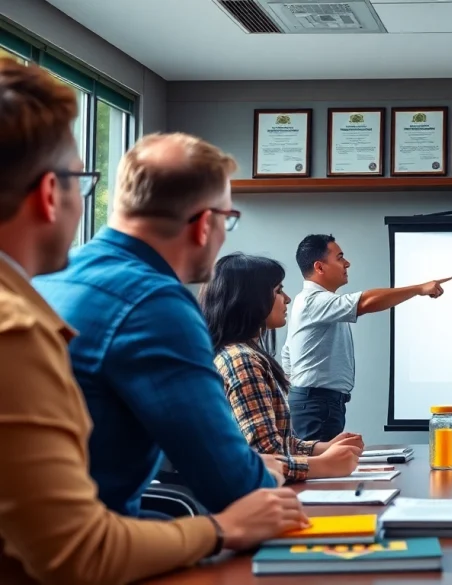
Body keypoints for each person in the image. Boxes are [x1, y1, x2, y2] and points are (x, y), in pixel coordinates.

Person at [0, 57, 307, 585]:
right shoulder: (150, 305)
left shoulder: (49, 284)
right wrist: (226, 523)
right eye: (80, 181)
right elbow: (237, 488)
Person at [33, 132, 282, 518]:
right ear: (204, 224)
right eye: (228, 220)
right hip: (90, 540)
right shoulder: (155, 304)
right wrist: (273, 474)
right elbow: (234, 486)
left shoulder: (54, 275)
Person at [200, 253, 365, 481]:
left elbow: (277, 441)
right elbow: (266, 457)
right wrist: (325, 465)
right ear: (251, 299)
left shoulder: (238, 354)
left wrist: (323, 448)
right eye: (278, 291)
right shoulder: (243, 360)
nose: (287, 299)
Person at [283, 234, 452, 441]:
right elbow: (365, 302)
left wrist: (300, 393)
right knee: (321, 462)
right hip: (317, 404)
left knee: (322, 459)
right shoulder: (313, 301)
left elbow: (288, 354)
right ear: (319, 267)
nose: (347, 263)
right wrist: (419, 289)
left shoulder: (309, 302)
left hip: (317, 402)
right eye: (340, 258)